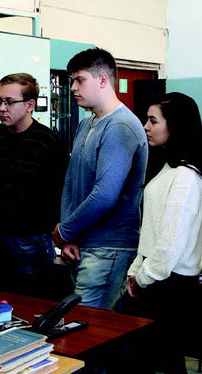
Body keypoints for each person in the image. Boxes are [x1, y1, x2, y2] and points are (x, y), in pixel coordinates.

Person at [51, 48, 148, 309]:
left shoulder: (120, 126)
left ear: (103, 80)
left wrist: (65, 231)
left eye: (80, 80)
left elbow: (104, 196)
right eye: (72, 80)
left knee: (89, 325)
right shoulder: (86, 124)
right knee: (80, 322)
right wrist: (69, 235)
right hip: (82, 244)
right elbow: (71, 182)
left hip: (109, 248)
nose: (73, 87)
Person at [125, 92, 202, 373]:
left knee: (163, 361)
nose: (146, 126)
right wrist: (136, 271)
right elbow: (152, 232)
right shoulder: (169, 168)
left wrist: (142, 278)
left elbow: (169, 244)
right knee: (158, 361)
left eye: (153, 121)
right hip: (158, 280)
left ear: (175, 126)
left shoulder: (185, 176)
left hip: (169, 285)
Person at [0, 73, 69, 299]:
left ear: (30, 105)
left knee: (32, 300)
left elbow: (58, 193)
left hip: (32, 237)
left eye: (9, 102)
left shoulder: (48, 142)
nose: (2, 108)